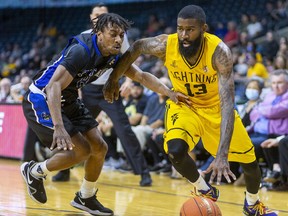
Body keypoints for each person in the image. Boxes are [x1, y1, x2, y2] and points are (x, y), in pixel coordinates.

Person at [102, 5, 278, 216]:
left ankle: (253, 204)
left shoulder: (219, 52)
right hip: (184, 104)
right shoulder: (167, 45)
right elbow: (138, 46)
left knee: (249, 163)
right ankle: (204, 188)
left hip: (216, 108)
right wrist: (114, 78)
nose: (184, 35)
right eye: (180, 28)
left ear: (203, 28)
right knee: (175, 150)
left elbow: (228, 104)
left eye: (190, 29)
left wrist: (222, 155)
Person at [20, 13, 188, 216]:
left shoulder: (115, 55)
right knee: (81, 151)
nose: (119, 39)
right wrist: (59, 126)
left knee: (100, 147)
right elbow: (53, 85)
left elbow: (141, 76)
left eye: (122, 35)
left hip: (69, 98)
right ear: (99, 33)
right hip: (42, 98)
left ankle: (86, 196)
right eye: (113, 34)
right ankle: (34, 171)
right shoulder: (81, 51)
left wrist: (169, 93)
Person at [53, 3, 154, 186]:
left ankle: (143, 172)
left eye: (103, 14)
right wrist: (77, 92)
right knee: (77, 131)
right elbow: (74, 72)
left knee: (125, 131)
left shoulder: (118, 35)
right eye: (96, 14)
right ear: (91, 17)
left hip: (109, 90)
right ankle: (64, 170)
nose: (99, 17)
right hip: (88, 90)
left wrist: (129, 82)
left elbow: (128, 61)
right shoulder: (85, 39)